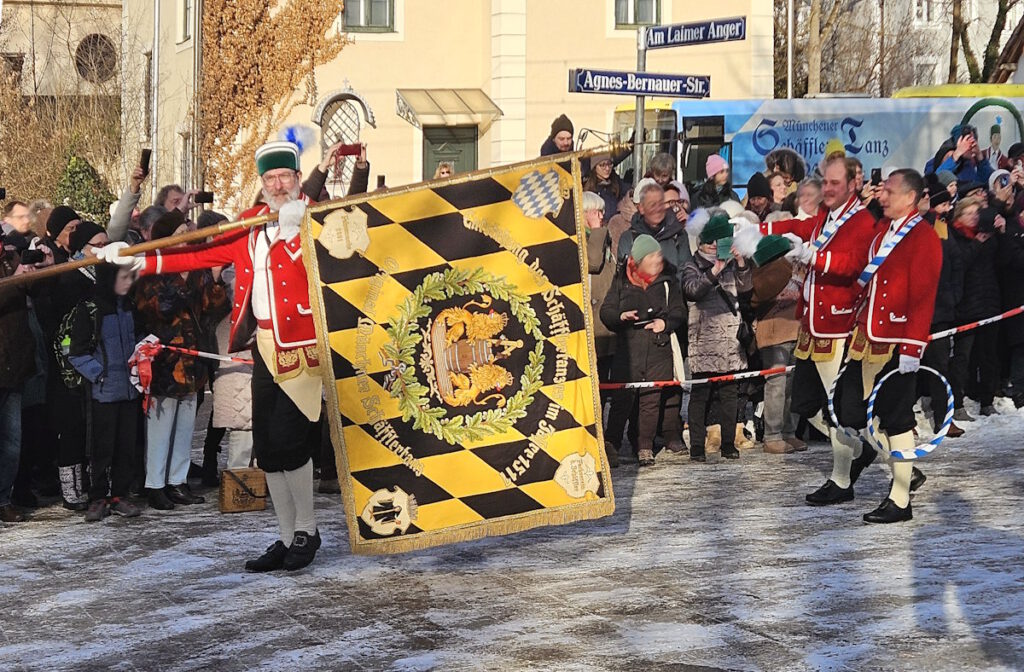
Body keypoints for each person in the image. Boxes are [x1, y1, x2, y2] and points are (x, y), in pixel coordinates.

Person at [101, 140, 326, 571]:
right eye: (270, 179)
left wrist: (301, 227)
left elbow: (339, 257)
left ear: (297, 180)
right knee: (269, 447)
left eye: (285, 177)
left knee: (293, 444)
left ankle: (308, 530)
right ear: (262, 185)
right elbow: (198, 252)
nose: (278, 185)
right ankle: (284, 535)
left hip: (302, 348)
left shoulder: (315, 221)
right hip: (262, 346)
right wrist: (135, 259)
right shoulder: (251, 227)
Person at [762, 157, 880, 506]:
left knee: (835, 409)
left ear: (852, 184)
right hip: (811, 324)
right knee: (808, 405)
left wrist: (816, 257)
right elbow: (803, 228)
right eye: (825, 182)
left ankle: (841, 480)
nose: (827, 188)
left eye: (834, 183)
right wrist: (761, 231)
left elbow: (853, 264)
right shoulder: (828, 217)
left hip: (838, 325)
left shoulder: (861, 221)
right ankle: (863, 450)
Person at [833, 169, 941, 523]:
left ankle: (900, 498)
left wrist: (912, 347)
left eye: (890, 191)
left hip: (896, 342)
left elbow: (922, 297)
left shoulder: (923, 238)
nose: (882, 196)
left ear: (910, 197)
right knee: (848, 409)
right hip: (866, 338)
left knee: (896, 420)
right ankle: (898, 475)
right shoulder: (883, 232)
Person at [133, 209, 228, 511]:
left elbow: (212, 308)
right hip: (164, 360)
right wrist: (185, 282)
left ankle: (178, 479)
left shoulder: (198, 268)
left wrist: (214, 279)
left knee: (186, 423)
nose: (188, 237)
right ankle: (155, 484)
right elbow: (156, 307)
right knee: (161, 426)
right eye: (181, 233)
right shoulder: (154, 269)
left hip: (193, 359)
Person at [600, 235, 686, 467]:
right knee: (621, 401)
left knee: (651, 400)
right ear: (638, 260)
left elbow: (679, 311)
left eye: (658, 254)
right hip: (628, 349)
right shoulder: (621, 280)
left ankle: (645, 447)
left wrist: (665, 324)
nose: (657, 259)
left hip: (658, 347)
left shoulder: (669, 280)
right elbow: (606, 312)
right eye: (651, 256)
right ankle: (611, 445)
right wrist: (620, 316)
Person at [68, 265, 143, 521]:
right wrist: (99, 374)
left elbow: (140, 339)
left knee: (126, 445)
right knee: (101, 448)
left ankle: (120, 494)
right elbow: (76, 352)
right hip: (103, 391)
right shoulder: (90, 309)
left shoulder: (130, 305)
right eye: (123, 277)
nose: (127, 282)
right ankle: (97, 496)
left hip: (131, 389)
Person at [682, 214, 752, 462]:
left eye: (718, 240)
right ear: (701, 242)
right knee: (700, 395)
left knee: (729, 395)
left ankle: (728, 444)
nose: (714, 245)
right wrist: (714, 271)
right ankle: (698, 448)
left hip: (730, 339)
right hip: (704, 340)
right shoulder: (692, 265)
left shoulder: (732, 263)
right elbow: (692, 291)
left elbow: (746, 291)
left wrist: (741, 262)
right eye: (709, 241)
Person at [946, 197, 1002, 421]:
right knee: (962, 357)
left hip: (989, 302)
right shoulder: (955, 237)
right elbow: (960, 264)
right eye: (968, 213)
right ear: (959, 216)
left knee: (989, 355)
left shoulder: (989, 236)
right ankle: (957, 403)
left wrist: (1001, 233)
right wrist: (977, 243)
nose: (973, 218)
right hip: (966, 306)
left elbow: (1003, 261)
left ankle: (987, 400)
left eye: (976, 213)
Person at [750, 235, 802, 454]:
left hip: (795, 332)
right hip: (773, 335)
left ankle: (789, 432)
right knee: (776, 387)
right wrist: (790, 265)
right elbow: (763, 291)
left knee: (792, 388)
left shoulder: (795, 269)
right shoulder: (766, 274)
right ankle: (772, 435)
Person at [616, 181, 691, 279]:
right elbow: (624, 276)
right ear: (641, 208)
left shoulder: (678, 235)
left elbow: (686, 274)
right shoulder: (629, 238)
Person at [583, 152, 626, 223]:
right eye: (602, 165)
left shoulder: (617, 184)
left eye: (609, 164)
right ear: (595, 167)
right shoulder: (587, 188)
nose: (607, 168)